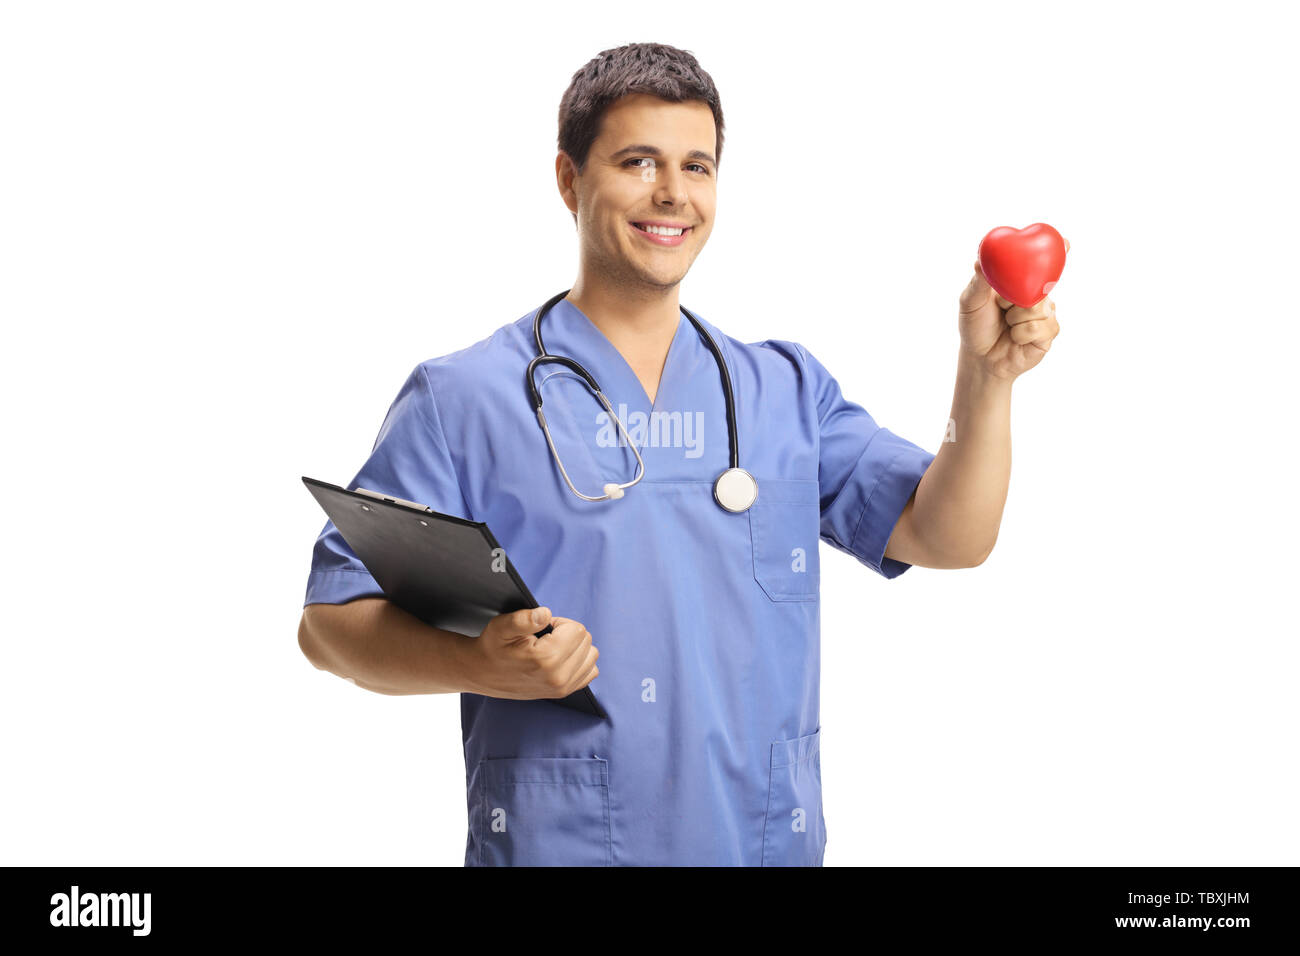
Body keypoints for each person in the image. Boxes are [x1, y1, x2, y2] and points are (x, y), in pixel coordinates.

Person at [297, 41, 1062, 866]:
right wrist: (477, 663)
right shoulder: (464, 399)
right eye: (638, 161)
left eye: (697, 167)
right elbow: (329, 625)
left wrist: (985, 381)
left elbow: (950, 537)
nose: (673, 194)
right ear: (569, 180)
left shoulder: (785, 390)